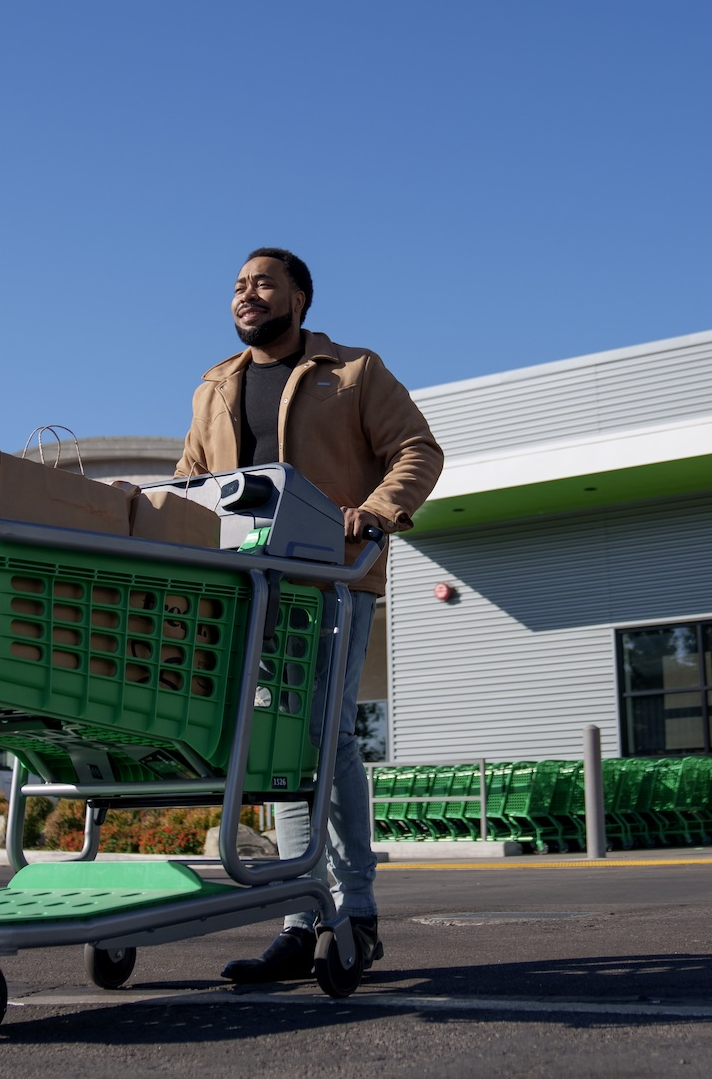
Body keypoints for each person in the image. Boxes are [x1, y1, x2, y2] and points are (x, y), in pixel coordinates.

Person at [175, 247, 443, 983]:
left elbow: (418, 448)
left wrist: (380, 511)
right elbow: (188, 486)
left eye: (262, 282)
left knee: (327, 739)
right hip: (245, 591)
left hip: (330, 579)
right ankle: (300, 914)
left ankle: (355, 910)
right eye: (236, 285)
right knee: (278, 745)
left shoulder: (353, 372)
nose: (246, 294)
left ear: (300, 298)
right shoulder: (214, 389)